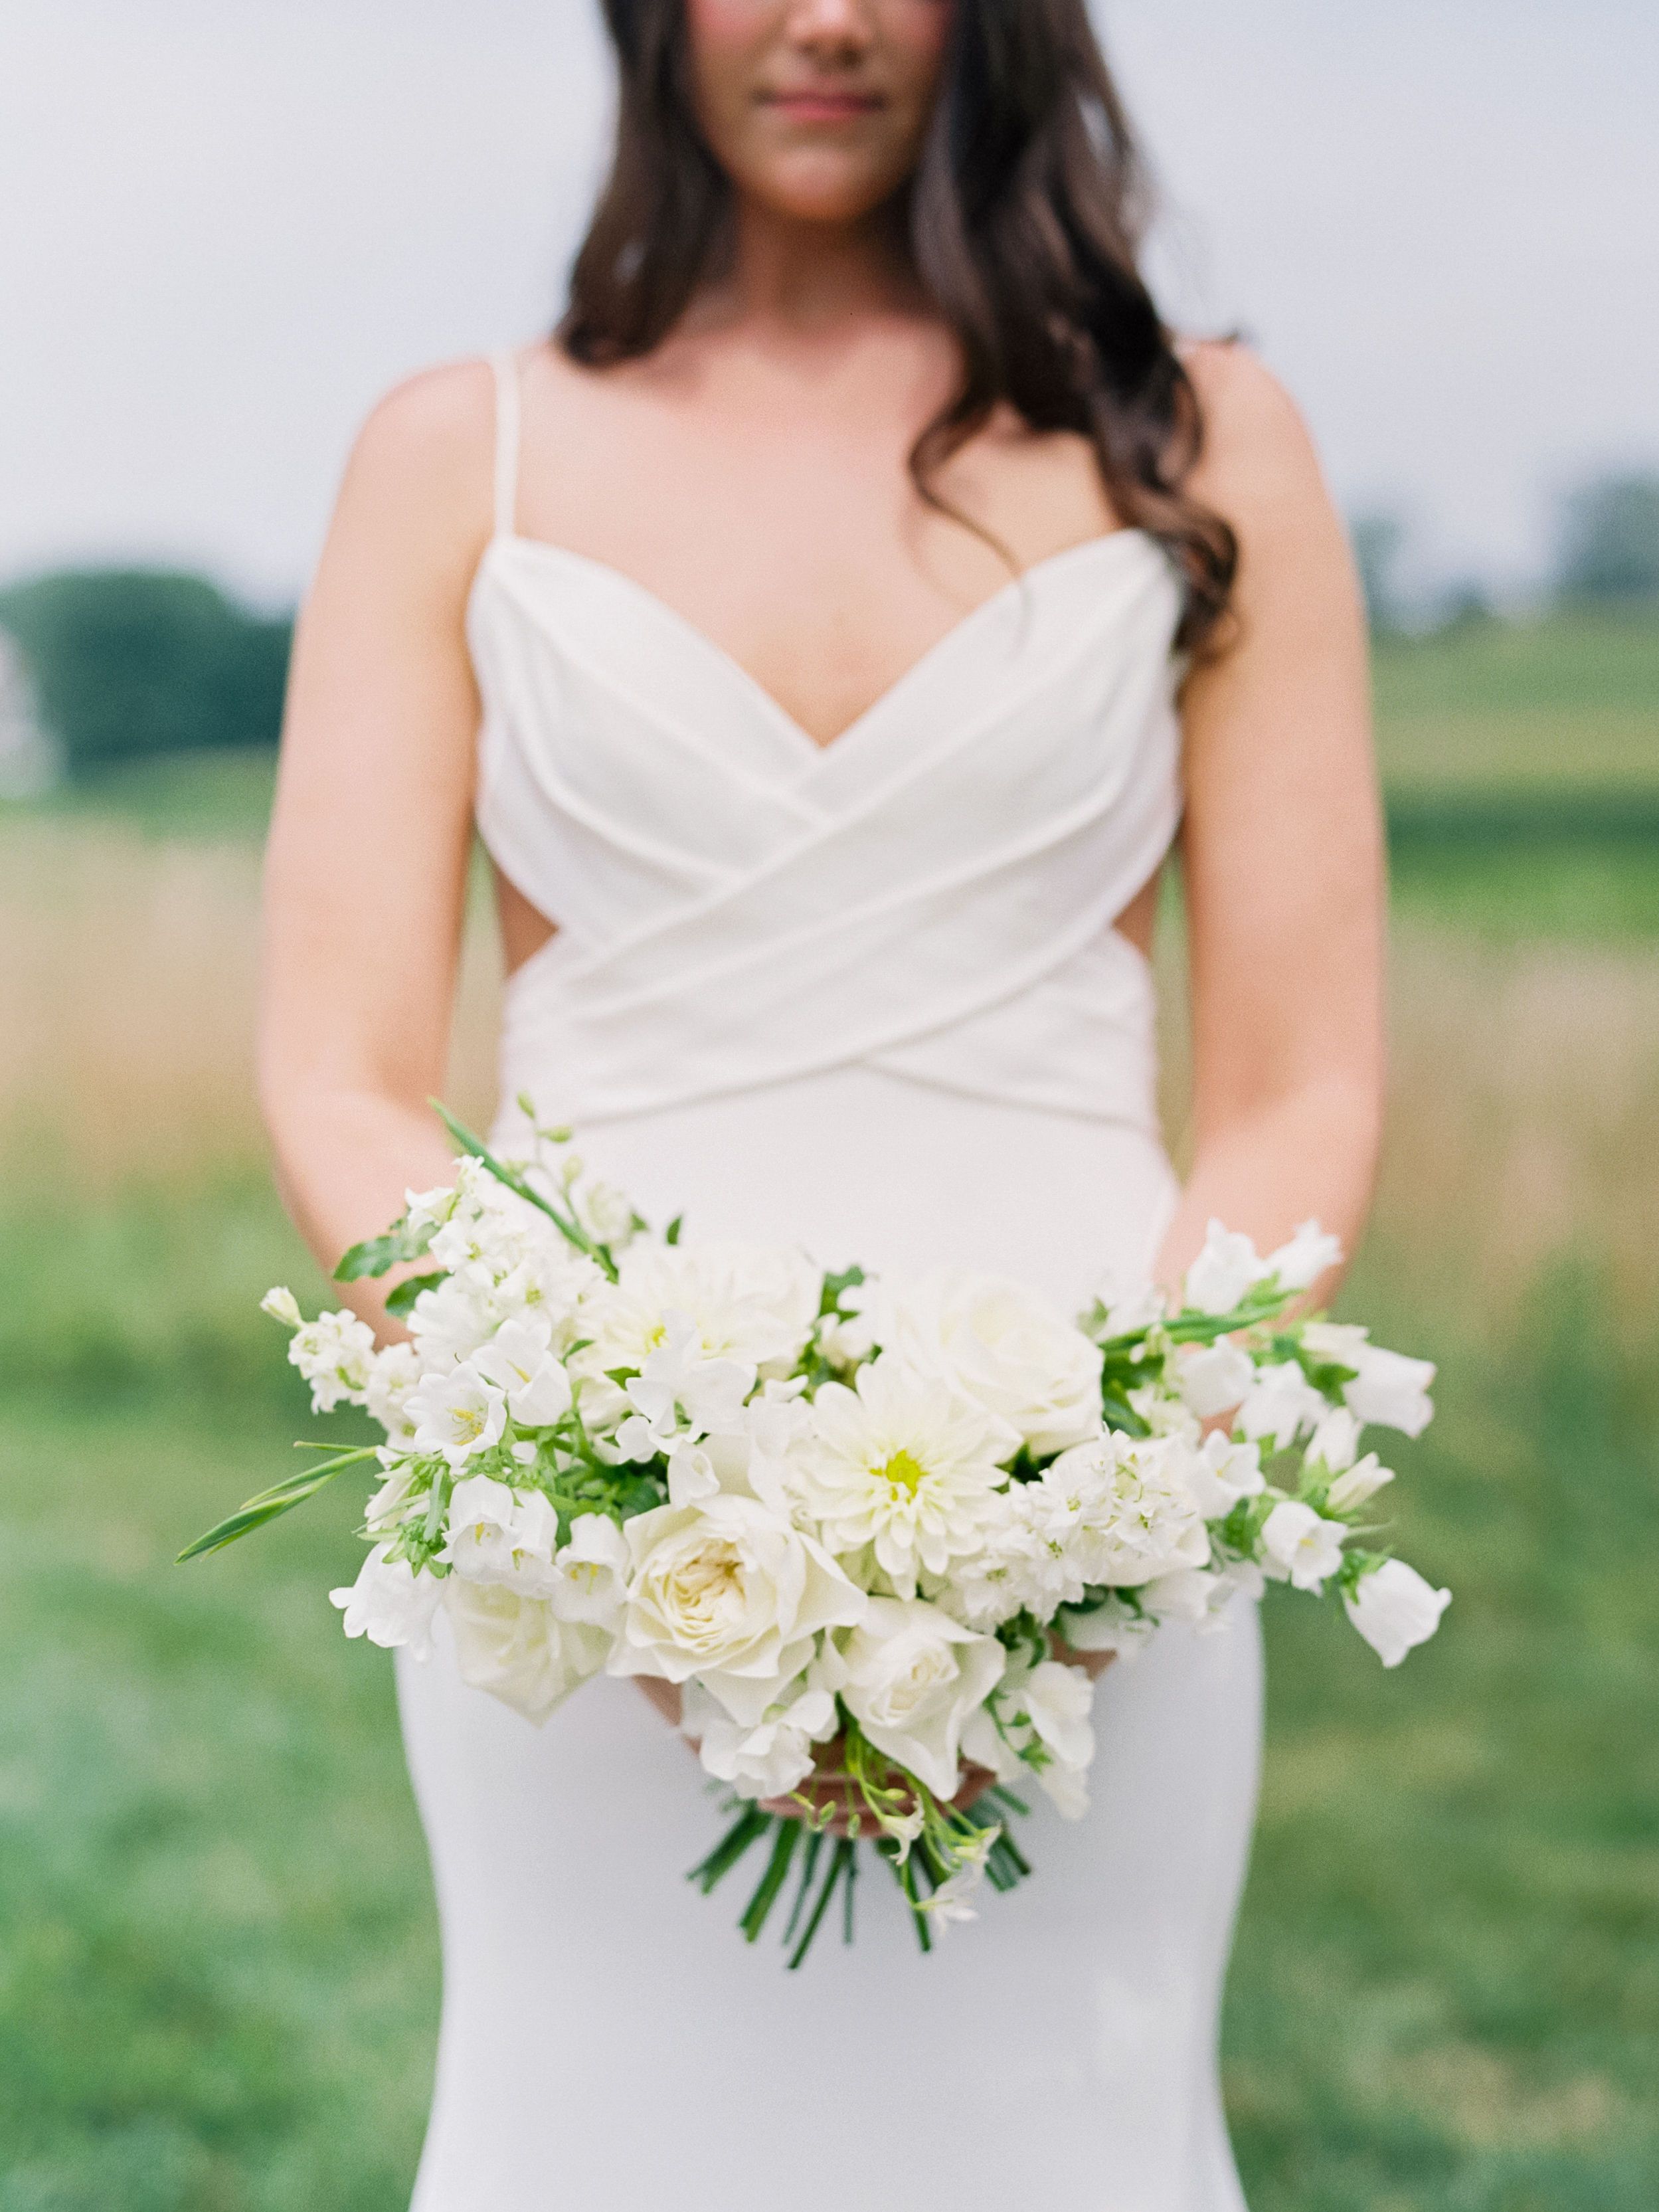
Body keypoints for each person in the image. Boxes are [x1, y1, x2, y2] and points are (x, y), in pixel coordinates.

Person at [260, 2, 1382, 2205]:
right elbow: (342, 1076)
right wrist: (620, 1528)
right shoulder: (458, 456)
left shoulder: (1197, 436)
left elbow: (1297, 1086)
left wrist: (1089, 1532)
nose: (831, 19)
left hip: (1105, 1546)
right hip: (585, 1576)